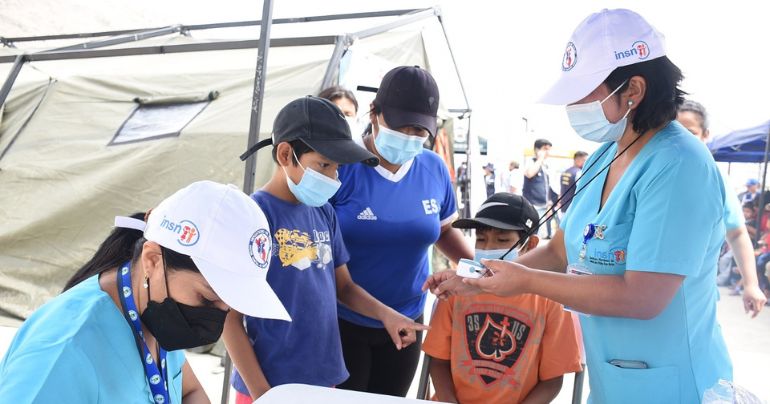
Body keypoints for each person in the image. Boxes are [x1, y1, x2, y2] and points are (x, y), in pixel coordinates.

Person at [425, 9, 734, 403]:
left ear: (633, 90)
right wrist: (475, 280)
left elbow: (643, 298)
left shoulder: (680, 166)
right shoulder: (606, 154)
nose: (571, 104)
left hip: (673, 385)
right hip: (615, 381)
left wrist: (523, 283)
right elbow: (559, 249)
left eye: (583, 91)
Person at [0, 180, 291, 403]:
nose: (217, 317)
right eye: (207, 298)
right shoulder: (63, 351)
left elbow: (188, 390)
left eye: (229, 306)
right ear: (152, 260)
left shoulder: (154, 316)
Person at [224, 96, 427, 402]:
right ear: (285, 154)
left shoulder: (323, 212)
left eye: (337, 168)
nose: (334, 177)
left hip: (322, 380)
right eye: (324, 165)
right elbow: (229, 318)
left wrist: (388, 316)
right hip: (269, 386)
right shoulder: (254, 215)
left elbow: (344, 287)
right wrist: (263, 394)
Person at [329, 66, 474, 397]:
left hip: (408, 320)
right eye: (401, 126)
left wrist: (478, 270)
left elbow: (443, 231)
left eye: (419, 129)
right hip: (342, 319)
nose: (410, 136)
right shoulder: (340, 167)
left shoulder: (434, 168)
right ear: (375, 114)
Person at [422, 192, 582, 404]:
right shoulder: (457, 290)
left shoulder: (549, 299)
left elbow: (552, 381)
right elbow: (438, 361)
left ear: (531, 244)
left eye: (503, 239)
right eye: (480, 238)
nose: (488, 249)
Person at [677, 99, 766, 312]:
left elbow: (736, 233)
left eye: (690, 133)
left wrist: (751, 284)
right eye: (673, 132)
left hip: (694, 296)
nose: (680, 140)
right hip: (642, 293)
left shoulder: (716, 180)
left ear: (705, 135)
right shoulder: (648, 171)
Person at [523, 139, 558, 239]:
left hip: (543, 205)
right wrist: (539, 159)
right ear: (537, 150)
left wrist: (549, 204)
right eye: (545, 149)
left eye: (549, 149)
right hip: (532, 205)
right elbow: (529, 174)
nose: (547, 152)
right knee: (530, 234)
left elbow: (547, 187)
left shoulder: (545, 165)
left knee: (538, 236)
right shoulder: (531, 161)